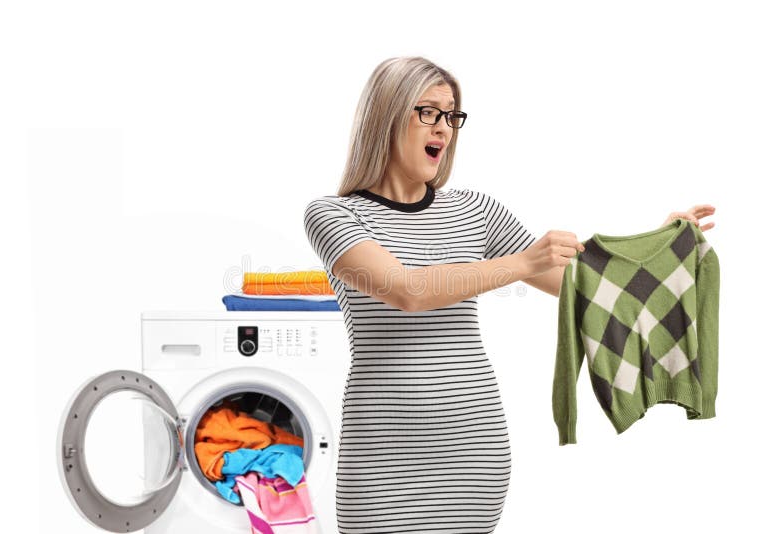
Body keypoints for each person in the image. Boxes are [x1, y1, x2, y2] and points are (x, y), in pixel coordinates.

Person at [303, 56, 715, 534]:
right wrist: (521, 263)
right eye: (428, 112)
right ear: (387, 114)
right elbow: (405, 290)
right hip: (382, 457)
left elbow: (581, 285)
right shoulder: (332, 215)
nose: (444, 129)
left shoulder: (474, 209)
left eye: (452, 115)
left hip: (474, 452)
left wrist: (659, 243)